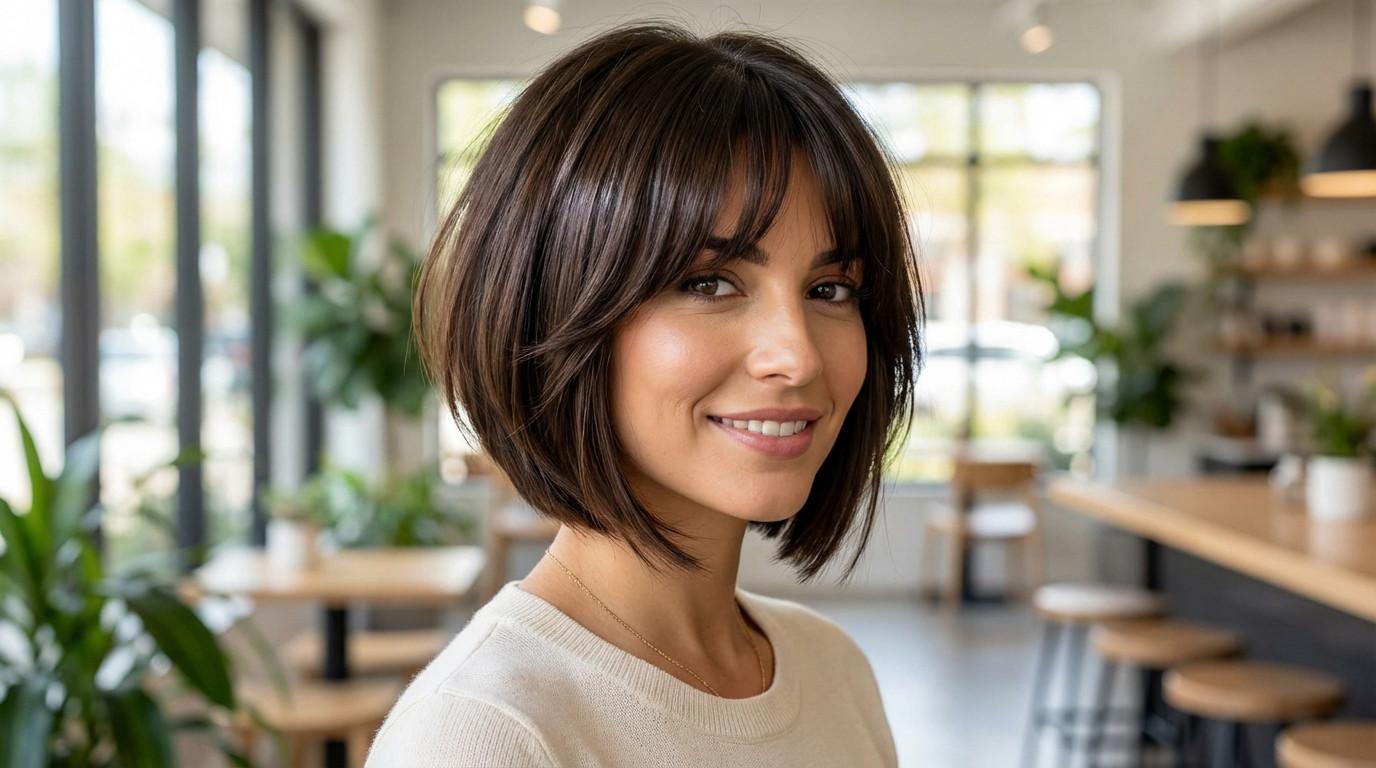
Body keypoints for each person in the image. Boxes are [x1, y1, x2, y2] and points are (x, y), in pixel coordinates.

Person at [366, 21, 922, 768]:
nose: (796, 355)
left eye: (830, 288)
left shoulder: (833, 668)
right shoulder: (483, 736)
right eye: (710, 282)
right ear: (555, 305)